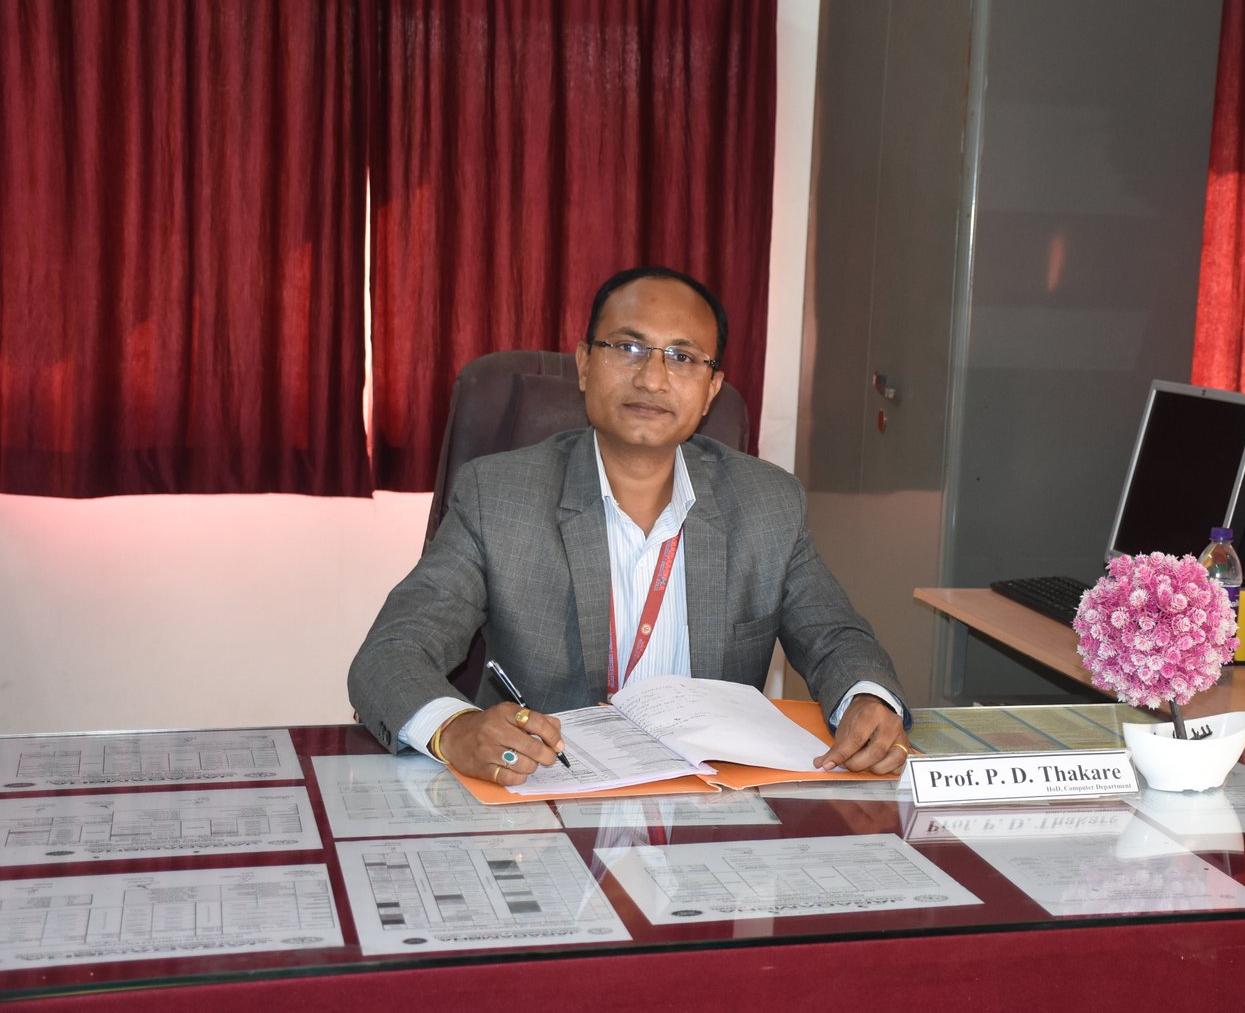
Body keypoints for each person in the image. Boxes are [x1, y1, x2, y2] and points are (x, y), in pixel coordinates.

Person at [348, 266, 911, 787]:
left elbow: (836, 636)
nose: (653, 377)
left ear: (713, 388)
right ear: (586, 363)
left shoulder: (767, 502)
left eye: (683, 357)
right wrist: (455, 730)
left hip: (709, 808)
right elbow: (391, 655)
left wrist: (866, 700)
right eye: (628, 347)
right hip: (549, 799)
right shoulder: (499, 497)